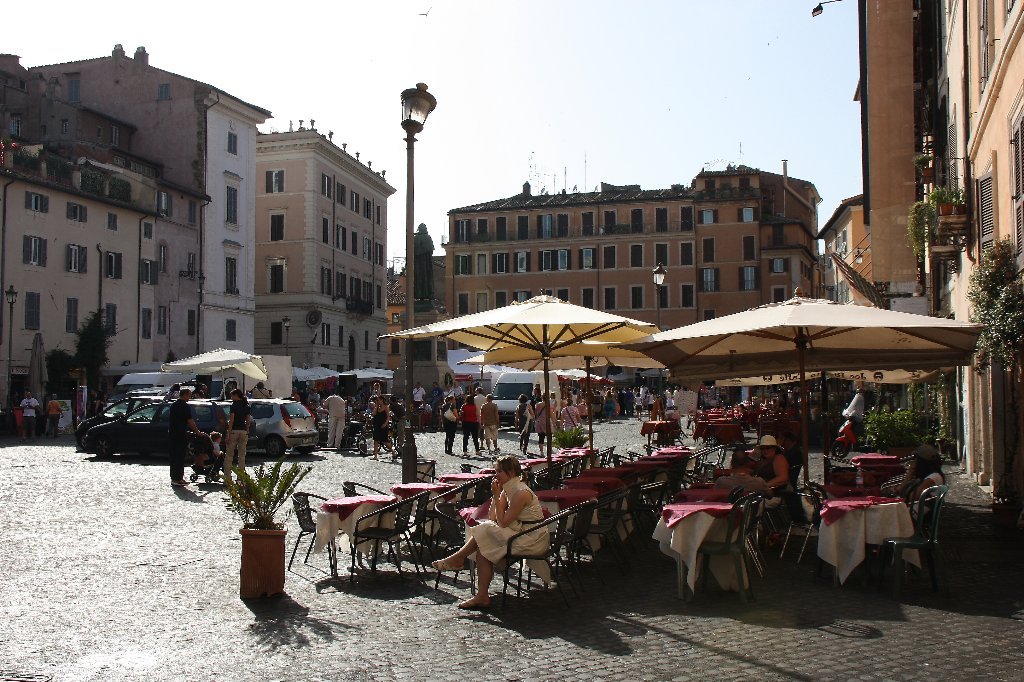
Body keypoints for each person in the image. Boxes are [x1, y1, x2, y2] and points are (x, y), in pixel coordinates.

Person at [431, 456, 548, 610]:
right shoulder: (509, 488)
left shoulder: (521, 492)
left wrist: (497, 494)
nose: (495, 475)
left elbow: (502, 522)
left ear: (511, 472)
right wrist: (496, 495)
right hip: (520, 533)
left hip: (532, 538)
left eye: (499, 471)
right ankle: (482, 595)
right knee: (483, 546)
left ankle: (458, 558)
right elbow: (493, 517)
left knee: (485, 529)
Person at [169, 388, 203, 487]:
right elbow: (190, 420)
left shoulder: (174, 405)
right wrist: (197, 432)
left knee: (174, 456)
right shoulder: (185, 406)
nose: (190, 397)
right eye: (189, 395)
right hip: (180, 433)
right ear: (184, 395)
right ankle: (178, 478)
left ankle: (174, 477)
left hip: (172, 433)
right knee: (180, 456)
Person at [224, 389, 252, 483]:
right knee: (242, 456)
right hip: (243, 431)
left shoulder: (233, 406)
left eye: (232, 396)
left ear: (236, 395)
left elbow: (231, 420)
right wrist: (247, 430)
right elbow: (248, 420)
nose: (231, 398)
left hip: (234, 431)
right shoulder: (246, 405)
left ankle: (228, 478)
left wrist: (228, 433)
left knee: (229, 456)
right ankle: (240, 478)